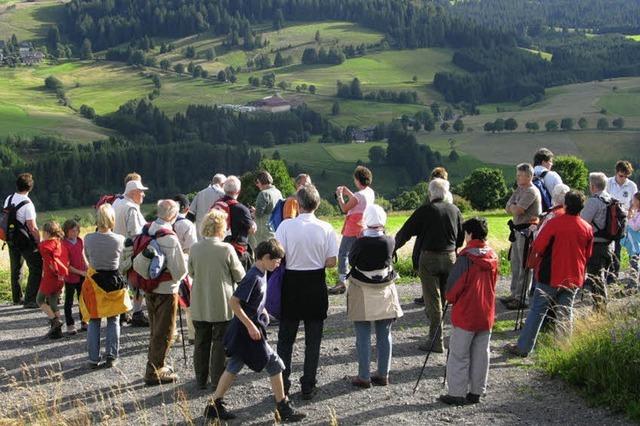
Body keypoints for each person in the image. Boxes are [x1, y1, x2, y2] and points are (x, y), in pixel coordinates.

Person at [203, 239, 305, 422]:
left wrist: (261, 309)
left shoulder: (263, 272)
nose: (278, 264)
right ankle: (283, 408)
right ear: (265, 257)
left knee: (234, 366)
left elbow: (251, 300)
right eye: (276, 261)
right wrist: (250, 325)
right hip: (248, 332)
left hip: (248, 330)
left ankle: (214, 405)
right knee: (275, 364)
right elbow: (234, 302)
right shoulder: (253, 277)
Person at [506, 191, 593, 357]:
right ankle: (565, 348)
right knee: (566, 312)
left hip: (551, 274)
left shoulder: (554, 224)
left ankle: (524, 347)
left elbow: (538, 246)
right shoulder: (587, 227)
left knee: (537, 311)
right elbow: (588, 254)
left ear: (565, 205)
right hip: (574, 275)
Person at [275, 184, 338, 399]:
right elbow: (331, 262)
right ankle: (308, 384)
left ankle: (283, 382)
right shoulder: (326, 227)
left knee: (285, 339)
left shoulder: (285, 226)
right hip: (315, 282)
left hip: (292, 283)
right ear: (317, 204)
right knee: (313, 341)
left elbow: (279, 256)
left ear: (298, 204)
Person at [395, 178, 464, 353]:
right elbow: (461, 238)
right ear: (446, 193)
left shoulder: (425, 211)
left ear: (430, 193)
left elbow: (406, 232)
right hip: (450, 257)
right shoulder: (455, 210)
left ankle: (435, 341)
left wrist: (391, 248)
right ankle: (440, 335)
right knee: (442, 299)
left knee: (432, 301)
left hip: (429, 259)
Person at [439, 217, 498, 406]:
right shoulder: (493, 257)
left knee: (459, 354)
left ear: (470, 234)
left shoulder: (465, 258)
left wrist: (449, 297)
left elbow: (452, 290)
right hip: (486, 312)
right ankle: (476, 392)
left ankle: (456, 393)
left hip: (466, 313)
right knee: (482, 354)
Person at [347, 204, 403, 388]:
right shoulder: (390, 241)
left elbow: (352, 261)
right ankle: (383, 374)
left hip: (362, 288)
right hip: (385, 288)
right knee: (384, 333)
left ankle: (363, 376)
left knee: (362, 334)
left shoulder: (360, 242)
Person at [189, 209, 245, 390]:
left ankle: (200, 378)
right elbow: (240, 276)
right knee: (220, 342)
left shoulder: (195, 248)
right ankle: (216, 380)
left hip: (199, 301)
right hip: (222, 301)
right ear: (222, 228)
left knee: (201, 341)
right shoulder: (226, 249)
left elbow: (191, 272)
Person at [143, 200, 188, 385]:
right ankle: (154, 371)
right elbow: (180, 271)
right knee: (165, 331)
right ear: (172, 215)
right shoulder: (170, 237)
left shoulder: (146, 231)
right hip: (166, 289)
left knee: (155, 329)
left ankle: (157, 364)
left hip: (148, 286)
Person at [82, 204, 131, 368]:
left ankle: (93, 358)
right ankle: (111, 355)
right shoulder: (119, 239)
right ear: (112, 220)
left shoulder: (88, 238)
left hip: (95, 281)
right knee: (114, 320)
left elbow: (89, 258)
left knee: (94, 320)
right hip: (114, 281)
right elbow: (122, 261)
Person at [329, 166, 375, 295]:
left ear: (358, 180)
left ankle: (342, 281)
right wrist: (348, 192)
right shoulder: (369, 192)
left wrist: (339, 196)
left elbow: (344, 208)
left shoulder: (359, 195)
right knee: (359, 253)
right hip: (364, 226)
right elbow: (357, 200)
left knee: (343, 253)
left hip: (353, 227)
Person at [502, 163, 542, 310]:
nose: (517, 177)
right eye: (517, 174)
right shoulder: (520, 189)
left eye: (520, 175)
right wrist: (513, 206)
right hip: (517, 231)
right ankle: (514, 294)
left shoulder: (531, 191)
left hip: (527, 232)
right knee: (515, 263)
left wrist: (513, 206)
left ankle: (521, 297)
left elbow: (517, 210)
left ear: (529, 176)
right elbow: (507, 207)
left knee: (524, 265)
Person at [113, 178, 150, 327]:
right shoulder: (132, 208)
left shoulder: (117, 202)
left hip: (117, 249)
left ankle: (122, 313)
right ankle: (137, 313)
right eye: (141, 191)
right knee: (137, 282)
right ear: (133, 192)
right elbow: (135, 233)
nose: (143, 194)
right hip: (130, 250)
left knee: (122, 283)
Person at [415, 167, 453, 306]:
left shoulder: (432, 194)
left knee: (424, 266)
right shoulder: (449, 195)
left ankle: (428, 296)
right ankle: (443, 297)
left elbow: (425, 210)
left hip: (429, 235)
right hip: (447, 238)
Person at [4, 173, 42, 308]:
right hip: (24, 240)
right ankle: (30, 299)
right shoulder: (28, 204)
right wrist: (39, 241)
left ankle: (16, 298)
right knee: (36, 266)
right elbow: (32, 227)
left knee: (16, 268)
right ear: (30, 187)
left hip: (10, 237)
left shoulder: (9, 198)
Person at [581, 172, 615, 311]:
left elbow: (582, 222)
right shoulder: (611, 199)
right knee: (601, 276)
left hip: (596, 245)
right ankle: (600, 309)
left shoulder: (594, 201)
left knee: (596, 279)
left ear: (593, 186)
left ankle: (600, 310)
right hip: (609, 245)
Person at [172, 194, 198, 344]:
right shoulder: (187, 225)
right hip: (185, 264)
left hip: (167, 267)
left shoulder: (165, 223)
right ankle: (192, 334)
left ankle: (173, 332)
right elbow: (192, 248)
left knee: (171, 302)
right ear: (187, 209)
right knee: (189, 301)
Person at [216, 176, 257, 271]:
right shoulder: (241, 209)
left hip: (218, 249)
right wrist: (253, 223)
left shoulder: (217, 204)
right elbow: (252, 230)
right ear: (238, 191)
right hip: (237, 251)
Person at [606, 160, 637, 282]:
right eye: (621, 176)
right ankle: (606, 274)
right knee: (608, 247)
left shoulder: (631, 186)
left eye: (626, 176)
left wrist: (630, 213)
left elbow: (634, 203)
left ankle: (614, 276)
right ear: (616, 172)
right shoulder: (608, 182)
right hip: (608, 220)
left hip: (622, 220)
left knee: (618, 248)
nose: (623, 178)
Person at [37, 221, 69, 339]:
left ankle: (55, 321)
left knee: (39, 300)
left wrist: (54, 272)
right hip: (61, 277)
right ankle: (58, 332)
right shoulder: (61, 243)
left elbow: (50, 264)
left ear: (46, 233)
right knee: (53, 302)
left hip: (50, 277)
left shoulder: (45, 246)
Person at [62, 219, 88, 335]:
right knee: (69, 301)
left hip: (82, 275)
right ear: (66, 231)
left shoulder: (79, 241)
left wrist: (87, 267)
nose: (75, 233)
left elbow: (82, 256)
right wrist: (80, 272)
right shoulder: (63, 244)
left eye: (76, 230)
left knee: (83, 299)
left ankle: (84, 321)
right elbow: (66, 265)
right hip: (71, 277)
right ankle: (70, 324)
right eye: (72, 231)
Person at [189, 173, 226, 240]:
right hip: (216, 235)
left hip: (200, 235)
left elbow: (191, 214)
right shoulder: (223, 195)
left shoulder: (200, 193)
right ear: (223, 184)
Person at [252, 171, 283, 245]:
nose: (257, 185)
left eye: (257, 182)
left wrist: (253, 212)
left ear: (261, 181)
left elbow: (258, 214)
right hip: (275, 228)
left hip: (263, 230)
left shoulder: (263, 194)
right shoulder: (278, 192)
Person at [621, 192, 640, 289]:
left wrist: (629, 218)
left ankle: (633, 284)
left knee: (634, 262)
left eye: (634, 200)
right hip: (633, 243)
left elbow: (636, 227)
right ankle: (633, 283)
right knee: (633, 261)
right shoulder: (637, 212)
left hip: (636, 243)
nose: (632, 202)